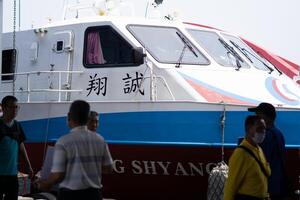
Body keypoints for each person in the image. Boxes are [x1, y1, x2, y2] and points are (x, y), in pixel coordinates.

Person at [37, 100, 113, 200]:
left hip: (71, 196)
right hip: (94, 195)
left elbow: (58, 175)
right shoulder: (100, 140)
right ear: (87, 118)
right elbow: (109, 168)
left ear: (69, 116)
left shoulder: (63, 142)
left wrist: (44, 184)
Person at [224, 115, 271, 200]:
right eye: (259, 128)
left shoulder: (259, 150)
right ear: (249, 128)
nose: (263, 131)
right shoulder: (240, 154)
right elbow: (231, 186)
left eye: (264, 128)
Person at [248, 102, 287, 200]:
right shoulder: (279, 133)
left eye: (258, 115)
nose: (256, 118)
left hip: (268, 187)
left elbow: (263, 162)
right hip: (278, 184)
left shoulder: (267, 136)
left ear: (266, 118)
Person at [0, 95, 33, 200]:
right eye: (12, 107)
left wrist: (28, 165)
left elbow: (21, 145)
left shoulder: (17, 126)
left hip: (12, 174)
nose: (15, 110)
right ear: (3, 108)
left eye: (16, 107)